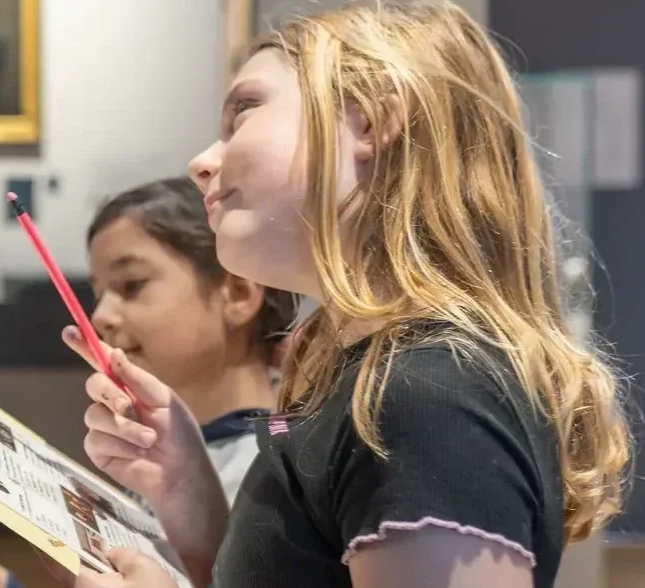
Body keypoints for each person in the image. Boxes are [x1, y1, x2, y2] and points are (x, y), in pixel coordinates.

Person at [73, 2, 631, 587]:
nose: (202, 164)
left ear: (369, 121)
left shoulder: (428, 393)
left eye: (244, 113)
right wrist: (186, 484)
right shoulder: (372, 378)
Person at [0, 177, 298, 588]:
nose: (100, 317)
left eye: (132, 285)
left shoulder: (278, 476)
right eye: (99, 294)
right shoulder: (166, 458)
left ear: (238, 294)